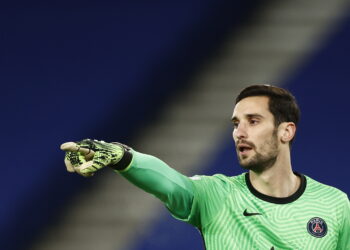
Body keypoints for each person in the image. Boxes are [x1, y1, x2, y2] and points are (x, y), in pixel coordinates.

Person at [61, 85, 349, 249]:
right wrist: (121, 156)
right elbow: (169, 182)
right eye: (236, 124)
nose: (239, 132)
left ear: (286, 131)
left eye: (253, 121)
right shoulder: (216, 196)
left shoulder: (334, 204)